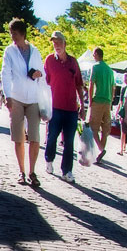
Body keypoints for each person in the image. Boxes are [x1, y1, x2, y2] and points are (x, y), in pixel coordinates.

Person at [1, 18, 45, 186]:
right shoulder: (9, 51)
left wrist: (37, 74)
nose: (14, 39)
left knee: (34, 137)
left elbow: (43, 74)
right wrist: (7, 95)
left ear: (23, 34)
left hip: (33, 98)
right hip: (16, 96)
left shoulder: (35, 51)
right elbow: (5, 73)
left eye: (16, 35)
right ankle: (21, 171)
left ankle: (32, 171)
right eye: (12, 35)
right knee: (18, 137)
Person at [43, 30, 86, 183]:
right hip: (54, 107)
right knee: (52, 136)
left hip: (71, 109)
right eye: (54, 43)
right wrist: (43, 104)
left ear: (65, 44)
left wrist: (82, 105)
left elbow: (79, 85)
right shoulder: (49, 61)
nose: (56, 46)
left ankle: (67, 171)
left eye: (59, 43)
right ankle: (49, 159)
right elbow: (44, 83)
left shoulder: (73, 62)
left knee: (69, 141)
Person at [86, 47, 114, 163]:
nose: (93, 57)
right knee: (105, 129)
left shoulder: (95, 67)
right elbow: (113, 88)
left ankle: (101, 149)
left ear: (97, 54)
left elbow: (91, 84)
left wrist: (90, 101)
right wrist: (111, 102)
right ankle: (100, 154)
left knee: (93, 128)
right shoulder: (110, 70)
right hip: (107, 102)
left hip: (98, 101)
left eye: (93, 54)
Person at [116, 73, 127, 156]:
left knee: (123, 131)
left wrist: (118, 112)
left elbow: (121, 101)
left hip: (124, 111)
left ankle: (121, 149)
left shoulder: (124, 88)